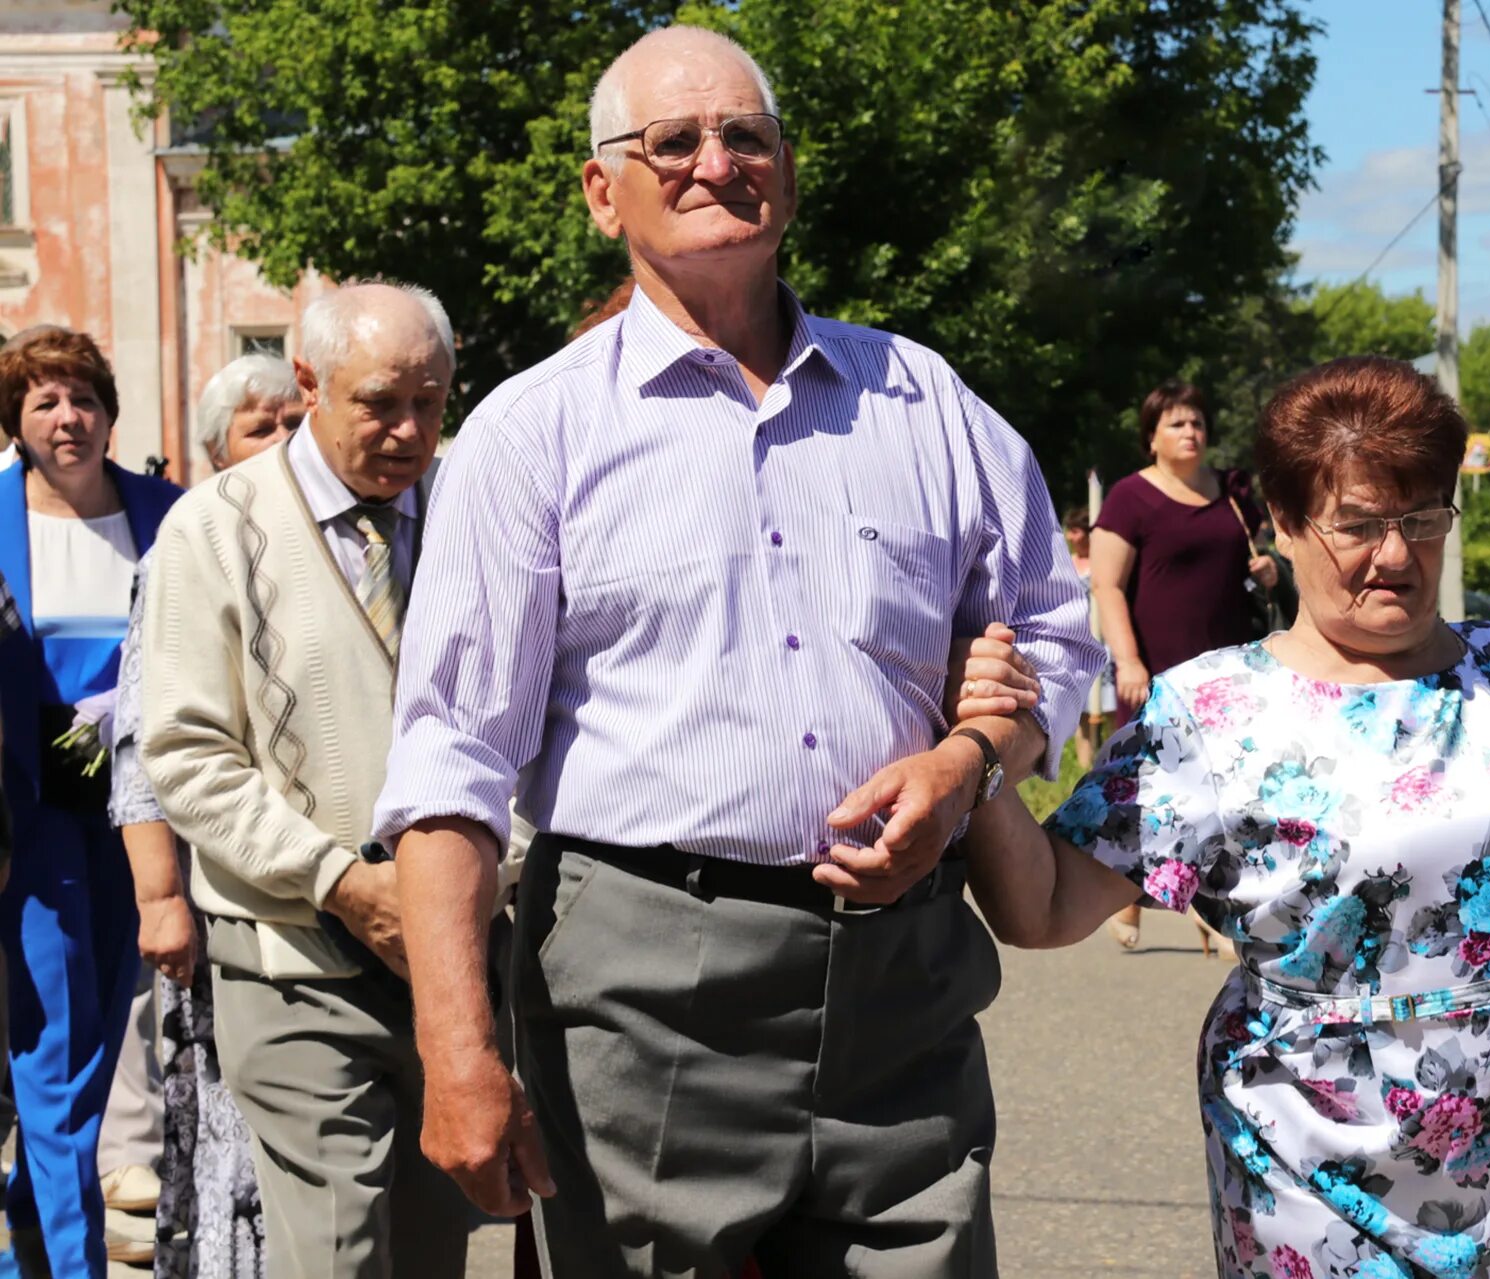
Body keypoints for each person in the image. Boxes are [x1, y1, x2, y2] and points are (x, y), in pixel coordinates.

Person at [373, 26, 1098, 1279]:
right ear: (605, 193)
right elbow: (451, 763)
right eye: (672, 141)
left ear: (788, 173)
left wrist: (975, 757)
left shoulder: (920, 400)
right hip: (645, 990)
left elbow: (1050, 627)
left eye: (744, 135)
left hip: (903, 991)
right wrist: (456, 1049)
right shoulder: (531, 434)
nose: (716, 162)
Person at [958, 357, 1490, 1278]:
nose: (1397, 554)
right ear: (1286, 524)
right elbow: (1045, 908)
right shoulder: (1215, 713)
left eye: (1422, 520)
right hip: (1320, 1182)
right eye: (1359, 524)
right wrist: (981, 754)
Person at [139, 283, 470, 1279]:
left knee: (430, 1247)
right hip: (290, 957)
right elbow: (187, 754)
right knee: (335, 1250)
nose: (408, 430)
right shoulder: (212, 530)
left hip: (458, 960)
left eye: (431, 401)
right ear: (311, 384)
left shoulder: (475, 512)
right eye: (379, 402)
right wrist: (339, 881)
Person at [109, 352, 303, 1278]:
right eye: (260, 428)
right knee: (232, 1127)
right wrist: (159, 897)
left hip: (318, 897)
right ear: (216, 450)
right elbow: (141, 747)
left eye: (295, 422)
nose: (283, 442)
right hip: (217, 893)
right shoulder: (180, 551)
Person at [0, 326, 182, 1277]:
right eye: (44, 401)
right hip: (32, 829)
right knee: (58, 1058)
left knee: (104, 1037)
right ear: (17, 422)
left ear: (110, 414)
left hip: (148, 827)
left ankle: (25, 1245)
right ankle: (76, 1268)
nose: (67, 417)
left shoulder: (173, 513)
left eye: (83, 397)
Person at [1092, 379, 1276, 950]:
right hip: (1155, 671)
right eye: (1175, 424)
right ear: (1152, 438)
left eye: (1196, 422)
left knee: (1229, 787)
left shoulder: (1232, 492)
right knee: (1156, 791)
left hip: (1228, 670)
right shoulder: (1130, 497)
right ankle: (1131, 895)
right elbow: (1108, 585)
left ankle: (1210, 902)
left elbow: (1261, 552)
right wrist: (1127, 659)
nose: (1190, 432)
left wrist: (1269, 568)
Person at [1063, 505, 1117, 770]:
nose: (1071, 538)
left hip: (1103, 641)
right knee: (1081, 711)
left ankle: (1114, 761)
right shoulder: (1066, 562)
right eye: (1069, 532)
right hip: (1076, 644)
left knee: (1109, 709)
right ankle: (1084, 767)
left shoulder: (1102, 563)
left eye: (1075, 531)